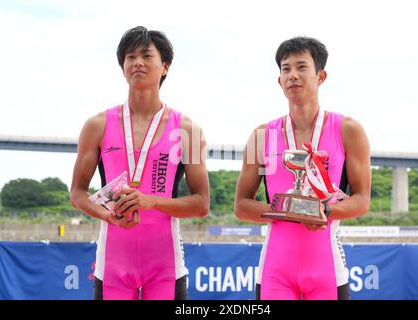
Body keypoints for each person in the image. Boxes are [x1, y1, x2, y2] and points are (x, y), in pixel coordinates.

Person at [70, 26, 210, 300]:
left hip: (166, 267)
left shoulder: (188, 130)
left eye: (147, 55)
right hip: (112, 265)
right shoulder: (97, 126)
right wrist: (107, 214)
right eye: (130, 57)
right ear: (122, 68)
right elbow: (77, 194)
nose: (137, 62)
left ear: (165, 67)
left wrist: (152, 201)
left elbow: (201, 204)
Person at [234, 36, 371, 300]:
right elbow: (241, 205)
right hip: (275, 272)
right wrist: (291, 211)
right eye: (286, 69)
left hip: (327, 271)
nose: (293, 75)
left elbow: (362, 200)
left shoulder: (348, 130)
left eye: (301, 67)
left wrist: (324, 210)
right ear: (279, 81)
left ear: (321, 76)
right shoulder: (261, 135)